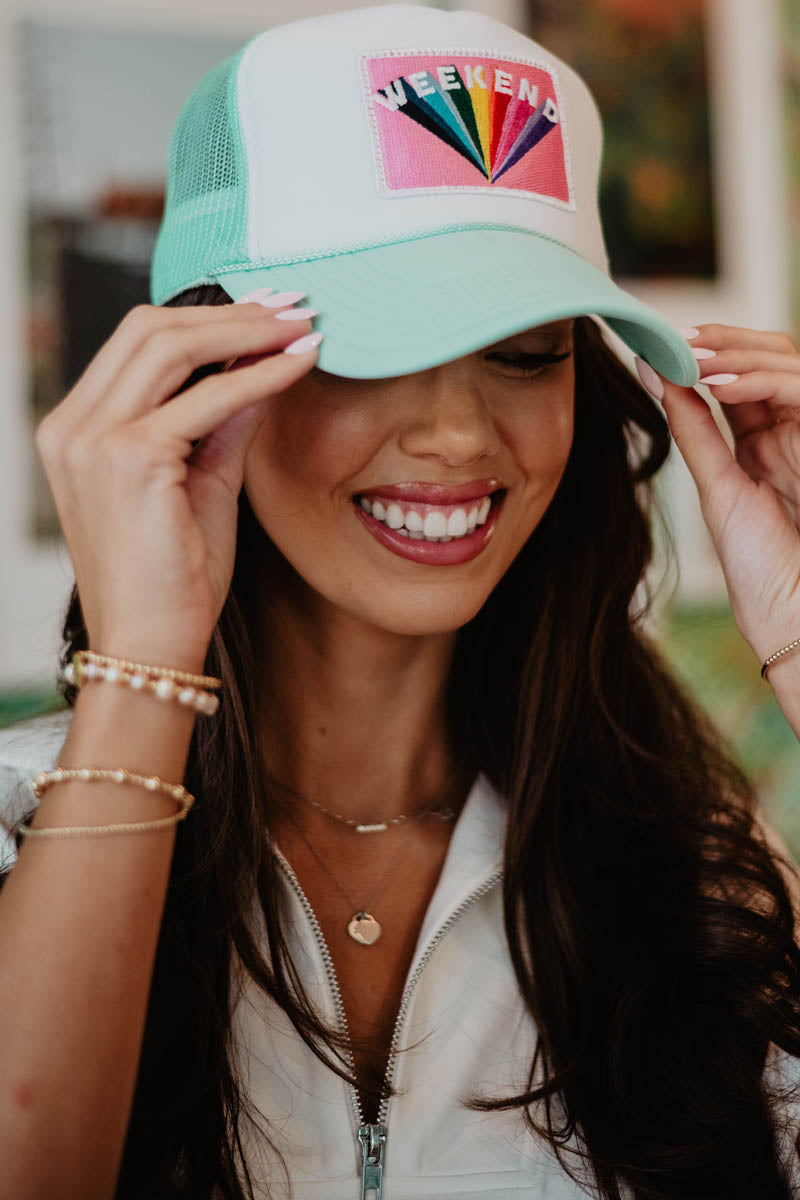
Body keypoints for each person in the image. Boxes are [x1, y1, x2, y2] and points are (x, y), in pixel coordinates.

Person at [1, 4, 800, 1197]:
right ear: (200, 365)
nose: (455, 434)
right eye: (367, 344)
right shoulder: (20, 832)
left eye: (524, 352)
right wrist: (141, 665)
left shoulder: (694, 883)